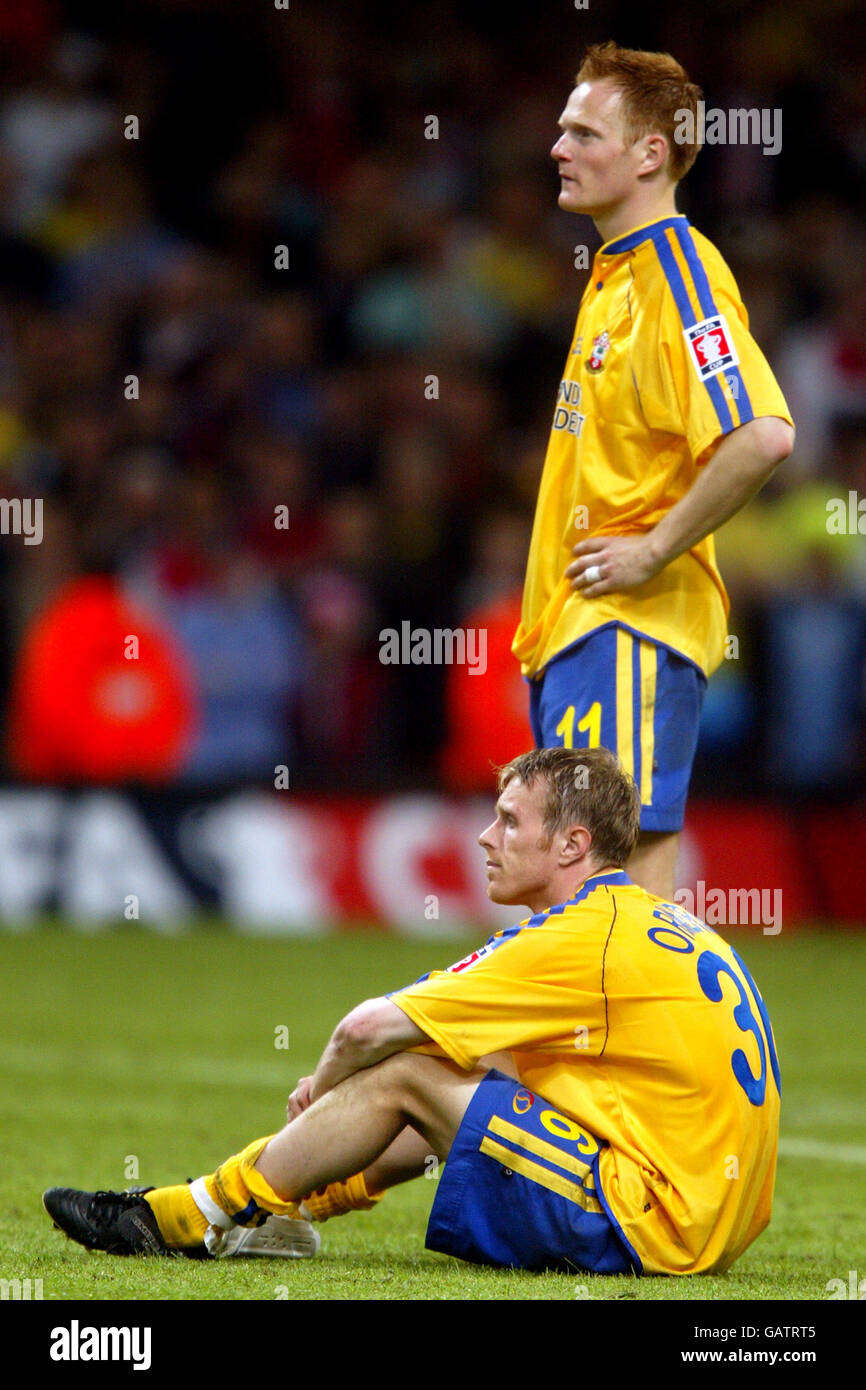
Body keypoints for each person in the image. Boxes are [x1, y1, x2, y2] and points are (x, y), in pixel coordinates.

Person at [45, 746, 780, 1277]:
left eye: (508, 821)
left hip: (655, 1222)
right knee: (474, 1066)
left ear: (572, 844)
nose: (486, 839)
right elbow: (479, 1081)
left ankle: (192, 1214)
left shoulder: (574, 938)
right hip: (714, 1215)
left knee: (403, 1072)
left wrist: (321, 1092)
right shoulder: (662, 921)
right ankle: (289, 1209)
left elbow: (364, 1029)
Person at [512, 42, 796, 897]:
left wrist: (651, 550)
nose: (558, 148)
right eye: (561, 129)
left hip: (626, 627)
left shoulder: (678, 274)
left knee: (609, 905)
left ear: (650, 153)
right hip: (580, 631)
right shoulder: (614, 280)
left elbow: (762, 432)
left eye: (583, 132)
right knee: (592, 912)